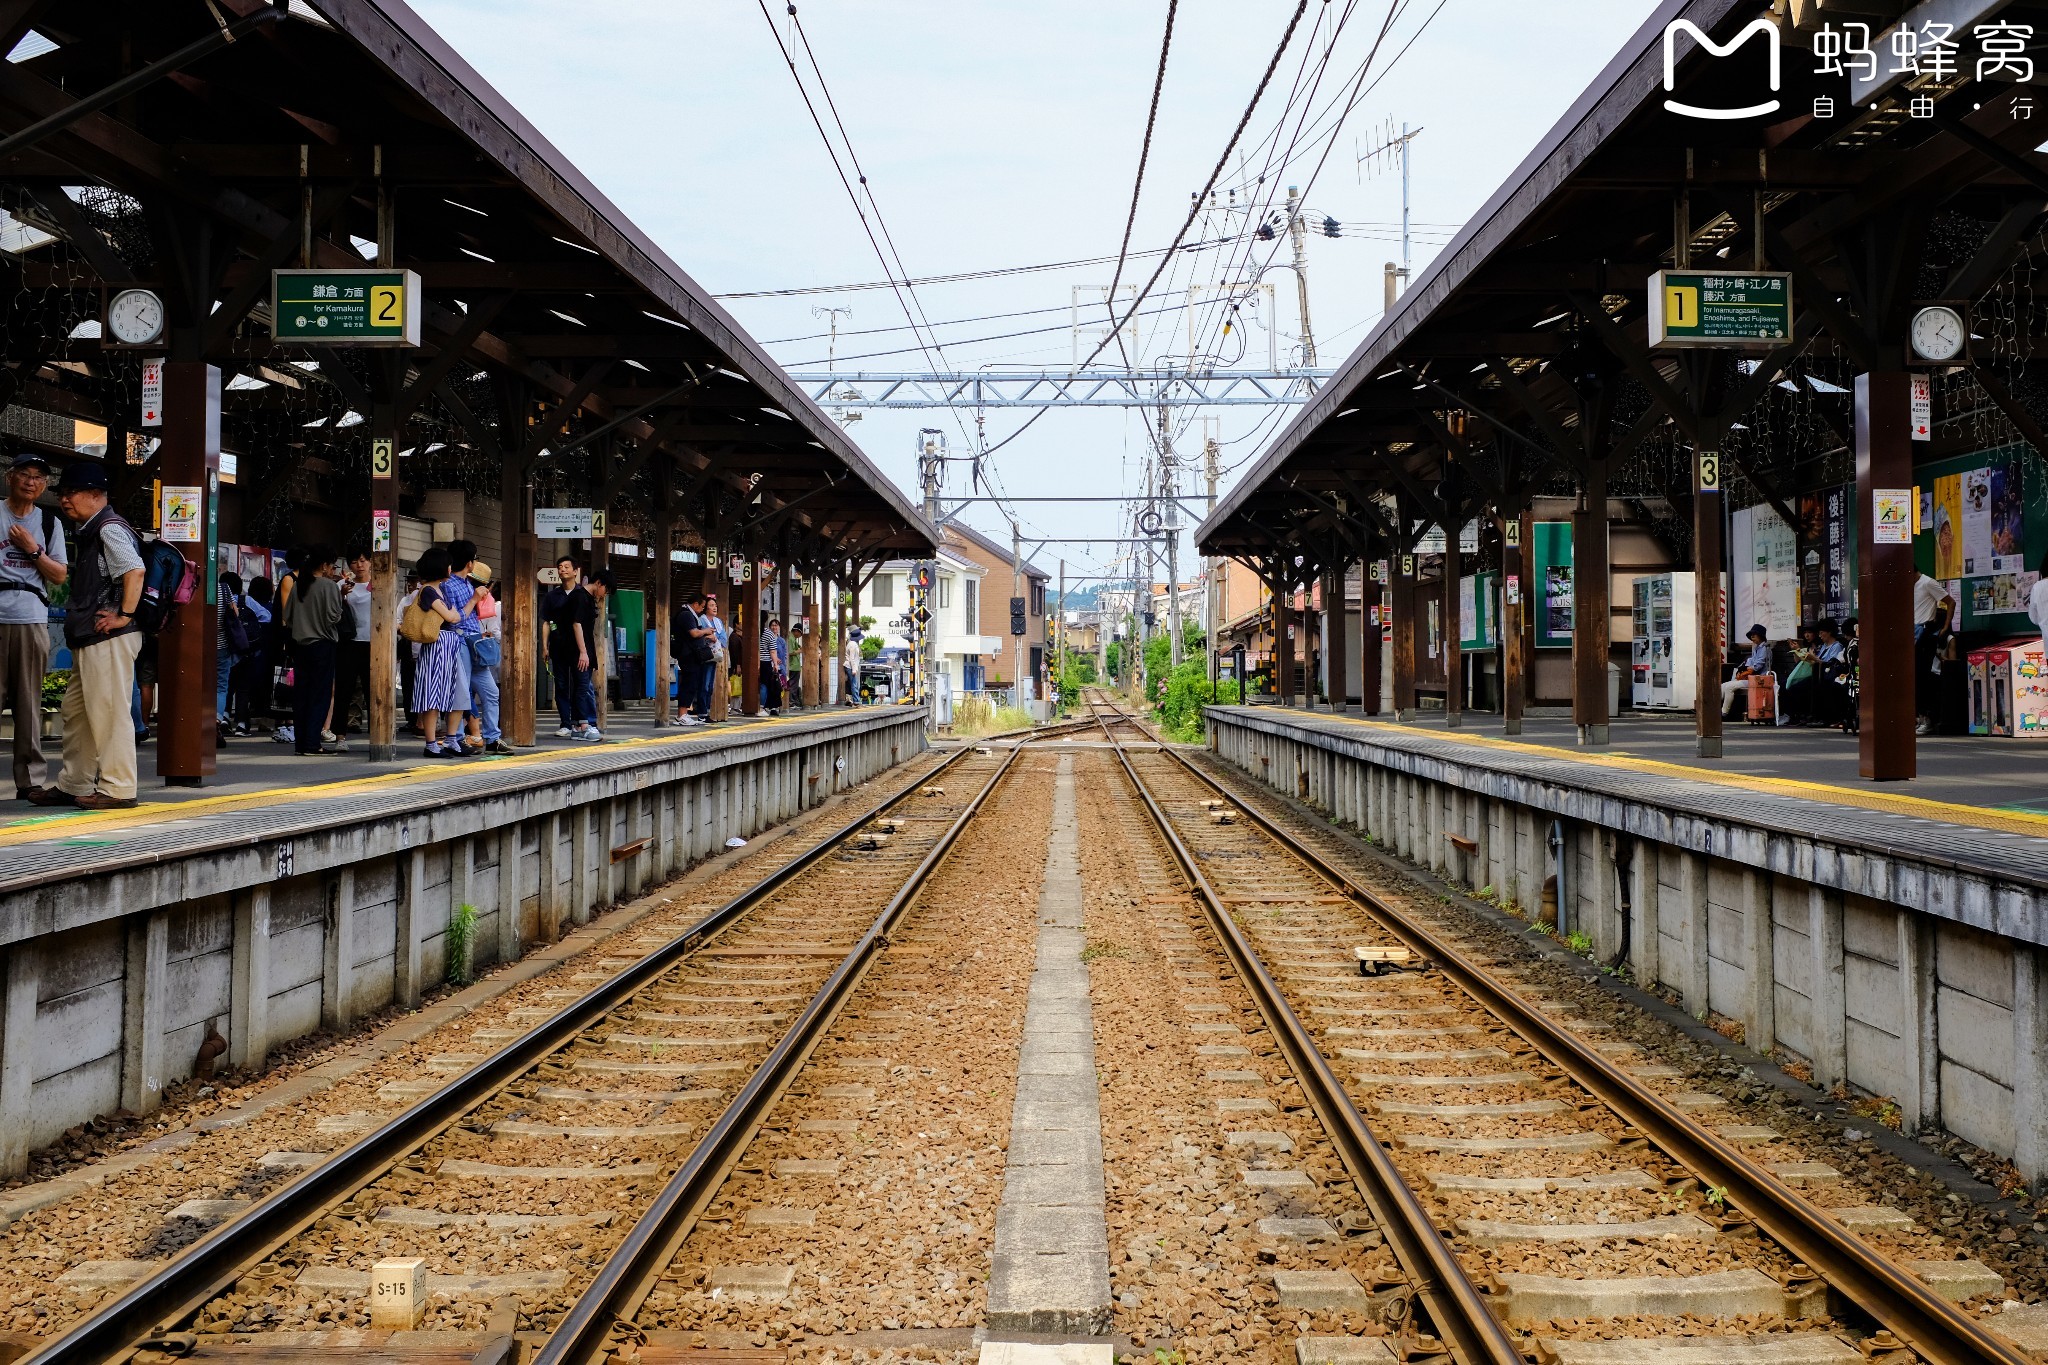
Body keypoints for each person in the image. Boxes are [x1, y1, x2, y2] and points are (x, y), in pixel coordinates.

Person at [32, 461, 143, 809]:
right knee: (77, 711)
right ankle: (75, 782)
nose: (64, 499)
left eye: (71, 493)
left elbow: (135, 572)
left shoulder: (108, 528)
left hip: (106, 635)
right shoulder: (96, 528)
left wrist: (124, 615)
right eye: (62, 493)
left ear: (95, 495)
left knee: (109, 712)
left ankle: (118, 788)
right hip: (91, 635)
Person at [0, 454, 66, 799]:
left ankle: (29, 781)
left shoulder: (50, 523)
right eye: (24, 474)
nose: (30, 482)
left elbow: (58, 574)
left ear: (44, 486)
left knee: (28, 702)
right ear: (10, 477)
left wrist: (32, 549)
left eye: (38, 477)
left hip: (31, 617)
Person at [284, 549, 348, 756]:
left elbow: (289, 617)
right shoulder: (328, 586)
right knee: (319, 696)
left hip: (301, 646)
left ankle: (301, 744)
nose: (333, 570)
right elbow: (333, 618)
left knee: (302, 695)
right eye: (332, 566)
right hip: (323, 645)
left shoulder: (298, 585)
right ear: (323, 566)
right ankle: (313, 744)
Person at [410, 546, 471, 757]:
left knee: (459, 693)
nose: (450, 568)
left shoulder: (441, 589)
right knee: (433, 694)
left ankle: (452, 739)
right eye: (448, 564)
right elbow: (451, 616)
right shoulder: (428, 590)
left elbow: (454, 615)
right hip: (437, 645)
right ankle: (431, 744)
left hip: (449, 644)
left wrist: (456, 612)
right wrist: (454, 613)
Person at [546, 555, 600, 740]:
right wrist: (545, 645)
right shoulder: (552, 596)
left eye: (567, 566)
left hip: (577, 648)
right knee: (561, 685)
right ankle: (567, 723)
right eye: (560, 567)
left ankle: (587, 722)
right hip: (559, 646)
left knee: (584, 685)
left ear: (576, 571)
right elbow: (547, 621)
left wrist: (585, 651)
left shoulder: (582, 593)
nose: (563, 570)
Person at [465, 563, 512, 755]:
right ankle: (460, 737)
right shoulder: (462, 591)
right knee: (461, 694)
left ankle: (492, 737)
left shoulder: (487, 600)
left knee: (491, 693)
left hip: (478, 652)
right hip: (462, 646)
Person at [441, 540, 481, 754]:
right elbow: (455, 617)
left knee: (471, 690)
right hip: (459, 639)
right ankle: (455, 736)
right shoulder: (449, 585)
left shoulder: (467, 582)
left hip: (473, 639)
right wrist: (475, 599)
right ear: (469, 562)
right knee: (461, 689)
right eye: (474, 559)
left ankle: (461, 736)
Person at [334, 552, 373, 735]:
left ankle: (377, 732)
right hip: (349, 642)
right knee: (344, 690)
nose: (359, 565)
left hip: (373, 643)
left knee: (372, 691)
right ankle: (340, 734)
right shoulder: (342, 585)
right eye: (355, 561)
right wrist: (341, 596)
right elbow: (333, 611)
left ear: (371, 562)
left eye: (363, 560)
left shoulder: (379, 584)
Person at [1914, 571, 1955, 736]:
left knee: (1921, 676)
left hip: (1925, 632)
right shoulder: (1906, 585)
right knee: (1913, 677)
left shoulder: (1927, 582)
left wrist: (1945, 627)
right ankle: (1920, 717)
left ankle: (1927, 719)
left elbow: (1950, 602)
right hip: (1911, 632)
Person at [672, 590, 715, 726]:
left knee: (691, 683)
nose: (702, 610)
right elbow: (694, 633)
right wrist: (706, 631)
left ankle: (683, 713)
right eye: (702, 607)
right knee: (689, 683)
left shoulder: (688, 614)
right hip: (688, 654)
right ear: (695, 604)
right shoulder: (686, 615)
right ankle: (682, 714)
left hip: (690, 653)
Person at [1719, 623, 1773, 718]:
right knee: (1722, 686)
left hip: (1759, 680)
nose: (1752, 637)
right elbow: (1750, 661)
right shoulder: (1756, 647)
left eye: (1754, 634)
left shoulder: (1764, 648)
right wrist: (1745, 667)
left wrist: (1747, 668)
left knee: (1729, 687)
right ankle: (1714, 708)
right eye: (1751, 635)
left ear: (1760, 636)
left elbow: (1758, 665)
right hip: (1751, 678)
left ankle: (1724, 713)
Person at [759, 615, 788, 715]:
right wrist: (775, 663)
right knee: (768, 686)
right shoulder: (768, 634)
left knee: (770, 686)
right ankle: (763, 707)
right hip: (768, 663)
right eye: (772, 625)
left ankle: (771, 707)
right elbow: (773, 652)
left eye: (776, 625)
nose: (774, 627)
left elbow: (784, 654)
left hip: (761, 663)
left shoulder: (756, 631)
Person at [842, 627, 861, 707]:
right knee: (854, 684)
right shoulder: (853, 645)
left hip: (849, 665)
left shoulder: (850, 643)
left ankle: (850, 700)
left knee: (851, 684)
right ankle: (856, 701)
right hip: (850, 666)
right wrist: (854, 669)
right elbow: (852, 658)